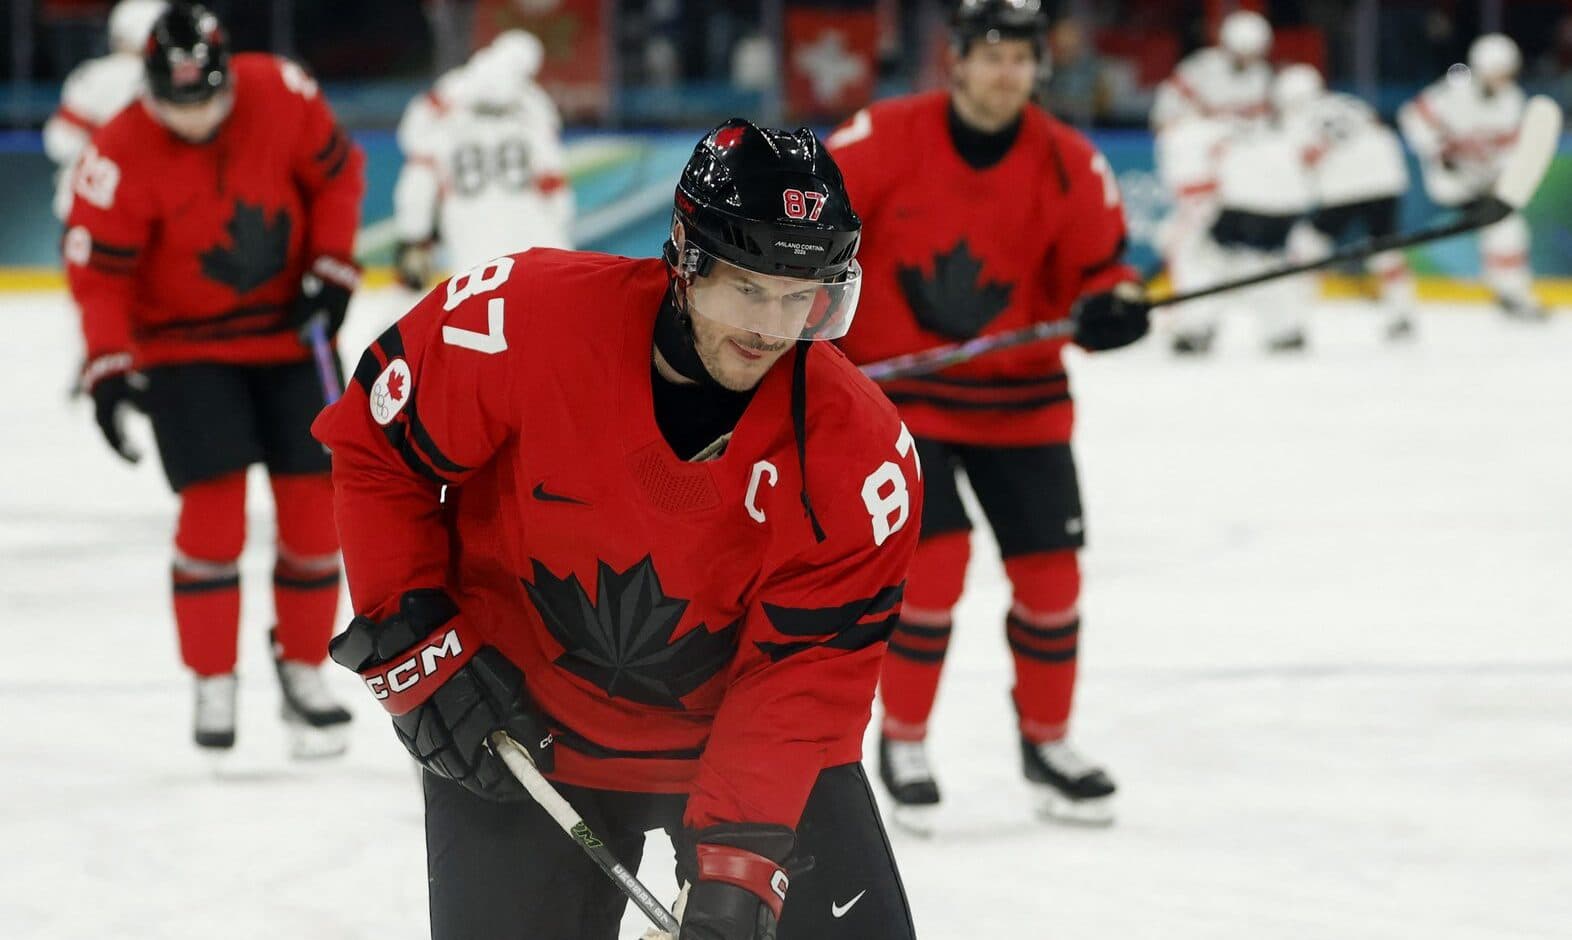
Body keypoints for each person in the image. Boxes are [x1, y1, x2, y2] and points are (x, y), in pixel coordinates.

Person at [316, 120, 924, 940]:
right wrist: (414, 644)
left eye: (803, 297)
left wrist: (740, 869)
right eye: (748, 287)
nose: (774, 327)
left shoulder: (862, 456)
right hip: (517, 725)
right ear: (685, 257)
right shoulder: (521, 321)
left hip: (731, 743)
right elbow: (377, 447)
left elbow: (803, 677)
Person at [825, 0, 1151, 827]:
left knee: (1053, 580)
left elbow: (1105, 267)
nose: (1007, 72)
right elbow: (816, 221)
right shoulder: (884, 137)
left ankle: (1048, 743)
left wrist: (1116, 303)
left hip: (1023, 401)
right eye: (991, 54)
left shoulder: (1069, 161)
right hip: (899, 398)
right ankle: (903, 739)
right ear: (958, 60)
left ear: (1039, 66)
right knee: (933, 562)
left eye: (1021, 57)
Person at [63, 4, 363, 757]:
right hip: (182, 349)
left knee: (315, 512)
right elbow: (98, 273)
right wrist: (106, 364)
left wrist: (331, 265)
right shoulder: (119, 147)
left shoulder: (283, 92)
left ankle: (303, 669)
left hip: (292, 335)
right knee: (212, 516)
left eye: (206, 99)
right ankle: (212, 678)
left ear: (229, 77)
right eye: (175, 102)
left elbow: (338, 175)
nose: (192, 118)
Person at [393, 29, 572, 291]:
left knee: (478, 310)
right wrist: (560, 220)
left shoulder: (448, 105)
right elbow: (554, 182)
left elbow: (415, 156)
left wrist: (414, 236)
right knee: (549, 300)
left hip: (467, 222)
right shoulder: (532, 105)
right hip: (530, 217)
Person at [1150, 9, 1278, 353]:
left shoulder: (1263, 78)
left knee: (1208, 253)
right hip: (1201, 179)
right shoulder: (1201, 70)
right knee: (1188, 249)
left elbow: (1263, 133)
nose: (1248, 59)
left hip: (1239, 184)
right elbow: (1166, 118)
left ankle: (1206, 323)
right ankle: (1197, 323)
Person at [1398, 34, 1546, 320]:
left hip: (1483, 181)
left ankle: (1509, 291)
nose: (1503, 78)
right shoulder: (1455, 87)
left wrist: (1501, 172)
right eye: (1498, 71)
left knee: (1507, 229)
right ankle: (1510, 292)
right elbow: (1412, 117)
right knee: (1504, 227)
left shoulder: (1513, 100)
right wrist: (1436, 148)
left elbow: (1510, 147)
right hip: (1450, 182)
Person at [1275, 64, 1416, 341]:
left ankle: (1291, 322)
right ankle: (1402, 314)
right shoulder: (1350, 103)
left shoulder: (1295, 119)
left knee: (1307, 248)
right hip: (1387, 182)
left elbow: (1303, 163)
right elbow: (1383, 136)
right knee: (1385, 250)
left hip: (1342, 190)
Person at [43, 0, 168, 221]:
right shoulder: (178, 80)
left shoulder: (92, 75)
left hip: (94, 196)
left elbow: (60, 142)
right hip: (158, 199)